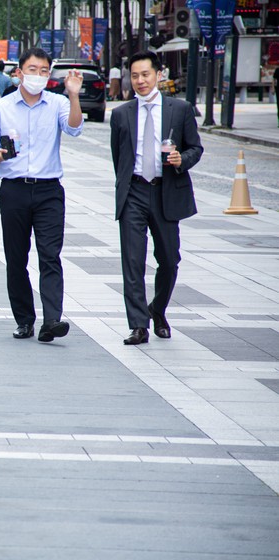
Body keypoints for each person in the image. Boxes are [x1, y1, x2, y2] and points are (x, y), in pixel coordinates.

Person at [0, 47, 84, 343]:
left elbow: (75, 129)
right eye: (32, 69)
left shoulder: (58, 103)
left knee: (50, 255)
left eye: (43, 71)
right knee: (17, 258)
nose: (37, 76)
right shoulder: (1, 108)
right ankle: (24, 319)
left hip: (49, 191)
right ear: (19, 73)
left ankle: (52, 320)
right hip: (14, 189)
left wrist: (74, 94)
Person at [110, 51, 203, 346]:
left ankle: (157, 310)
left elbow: (196, 148)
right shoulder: (121, 114)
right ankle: (138, 325)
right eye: (135, 76)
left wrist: (180, 159)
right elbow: (119, 158)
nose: (140, 81)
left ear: (159, 75)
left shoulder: (180, 109)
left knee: (169, 260)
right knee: (132, 261)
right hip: (134, 192)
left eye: (145, 75)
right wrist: (127, 185)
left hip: (166, 192)